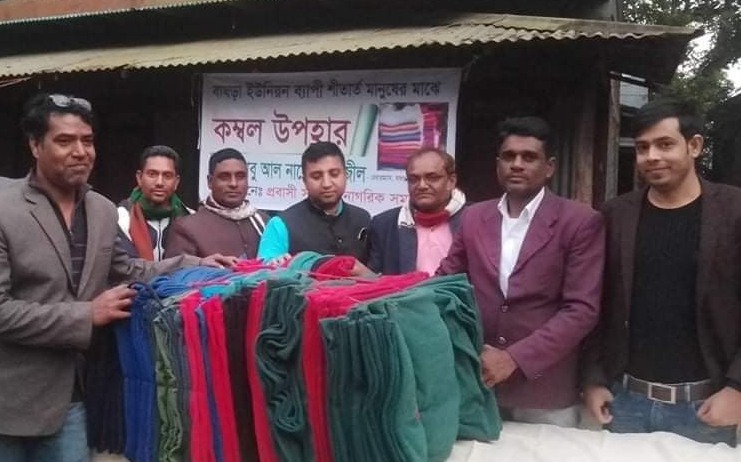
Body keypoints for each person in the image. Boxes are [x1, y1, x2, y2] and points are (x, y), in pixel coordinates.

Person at [0, 94, 234, 462]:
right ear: (35, 145)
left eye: (87, 141)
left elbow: (127, 269)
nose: (80, 151)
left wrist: (196, 264)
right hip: (5, 400)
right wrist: (88, 314)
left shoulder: (102, 210)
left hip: (72, 396)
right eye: (64, 141)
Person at [582, 99, 741, 445]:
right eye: (642, 148)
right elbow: (596, 302)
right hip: (625, 402)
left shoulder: (735, 213)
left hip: (707, 406)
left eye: (665, 144)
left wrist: (738, 388)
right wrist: (593, 379)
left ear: (694, 146)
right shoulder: (616, 215)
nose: (651, 156)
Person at [439, 117, 604, 427]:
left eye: (529, 157)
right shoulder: (474, 217)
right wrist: (382, 288)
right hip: (479, 381)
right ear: (497, 164)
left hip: (544, 390)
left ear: (549, 167)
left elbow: (581, 310)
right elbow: (445, 283)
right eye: (509, 156)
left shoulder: (579, 221)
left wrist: (514, 358)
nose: (516, 164)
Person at [257, 141, 371, 265]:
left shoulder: (363, 219)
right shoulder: (281, 225)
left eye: (334, 174)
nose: (326, 184)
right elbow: (262, 272)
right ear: (304, 181)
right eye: (316, 176)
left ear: (346, 175)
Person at [367, 147, 467, 275]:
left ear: (451, 181)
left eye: (432, 178)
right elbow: (374, 278)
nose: (422, 186)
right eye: (413, 179)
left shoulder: (474, 220)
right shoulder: (385, 225)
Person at [164, 148, 269, 259]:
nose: (233, 184)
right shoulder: (187, 227)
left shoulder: (264, 223)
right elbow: (178, 268)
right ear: (210, 181)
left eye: (240, 176)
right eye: (224, 177)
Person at [116, 145, 192, 261]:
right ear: (139, 178)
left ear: (176, 182)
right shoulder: (121, 217)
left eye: (167, 176)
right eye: (152, 174)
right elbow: (126, 267)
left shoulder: (189, 218)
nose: (159, 182)